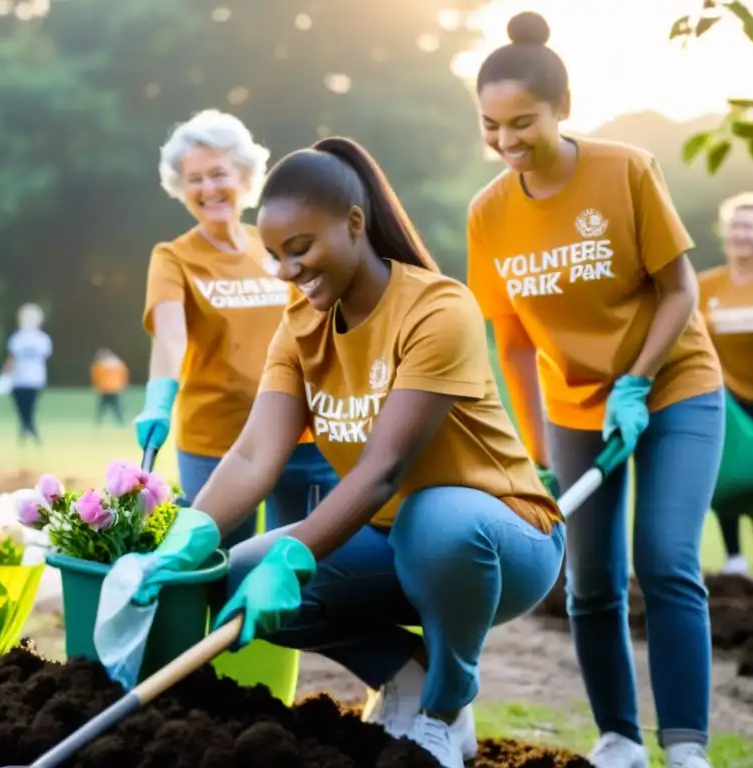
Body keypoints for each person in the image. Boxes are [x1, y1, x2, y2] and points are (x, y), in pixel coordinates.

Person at [111, 136, 565, 767]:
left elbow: (385, 470)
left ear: (355, 224)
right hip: (394, 543)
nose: (288, 270)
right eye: (274, 256)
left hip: (503, 540)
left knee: (436, 518)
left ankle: (445, 706)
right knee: (239, 570)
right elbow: (251, 457)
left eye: (301, 249)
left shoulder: (437, 307)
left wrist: (296, 557)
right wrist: (188, 535)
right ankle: (406, 671)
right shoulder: (299, 326)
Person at [467, 12, 725, 768]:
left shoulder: (626, 169)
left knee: (666, 559)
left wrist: (638, 381)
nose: (508, 142)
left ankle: (685, 745)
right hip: (572, 405)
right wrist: (533, 449)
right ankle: (617, 737)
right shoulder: (490, 213)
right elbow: (510, 343)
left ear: (562, 109)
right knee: (590, 581)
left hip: (674, 383)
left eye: (524, 123)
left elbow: (679, 291)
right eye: (491, 126)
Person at [134, 108, 338, 548]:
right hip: (216, 443)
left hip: (296, 434)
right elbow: (171, 337)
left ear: (243, 175)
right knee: (217, 564)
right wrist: (158, 400)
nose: (208, 188)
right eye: (194, 179)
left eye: (217, 173)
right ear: (180, 188)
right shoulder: (173, 257)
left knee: (298, 564)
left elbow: (313, 325)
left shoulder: (275, 243)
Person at [697, 192, 753, 577]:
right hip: (727, 399)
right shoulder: (705, 286)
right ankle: (734, 559)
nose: (742, 233)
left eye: (749, 227)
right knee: (725, 475)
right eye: (736, 225)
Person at [1, 303, 52, 445]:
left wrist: (4, 375)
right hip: (24, 379)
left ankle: (27, 431)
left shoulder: (37, 339)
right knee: (24, 408)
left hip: (31, 379)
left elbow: (11, 359)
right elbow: (12, 358)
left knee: (28, 408)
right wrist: (5, 376)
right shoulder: (26, 338)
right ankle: (28, 430)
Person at [90, 347, 128, 426]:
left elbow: (96, 377)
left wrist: (96, 387)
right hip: (115, 389)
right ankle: (121, 423)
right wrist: (123, 385)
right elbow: (124, 375)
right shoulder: (118, 364)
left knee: (102, 408)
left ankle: (99, 423)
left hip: (105, 389)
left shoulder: (99, 365)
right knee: (117, 408)